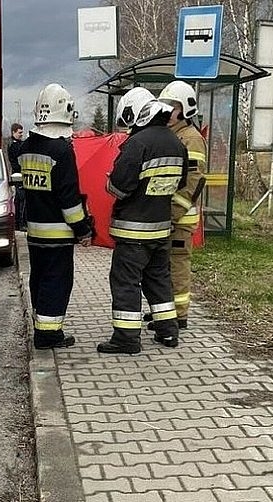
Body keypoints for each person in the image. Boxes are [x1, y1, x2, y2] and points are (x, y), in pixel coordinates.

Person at [97, 87, 188, 354]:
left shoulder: (137, 144)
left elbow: (120, 188)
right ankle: (168, 332)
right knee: (159, 281)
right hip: (161, 229)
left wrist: (109, 182)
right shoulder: (176, 142)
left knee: (126, 282)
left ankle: (126, 339)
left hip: (133, 232)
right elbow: (180, 183)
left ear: (136, 114)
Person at [19, 83, 93, 350]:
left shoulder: (27, 147)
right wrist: (83, 229)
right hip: (58, 233)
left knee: (38, 278)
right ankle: (49, 334)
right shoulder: (62, 151)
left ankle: (41, 324)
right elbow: (68, 199)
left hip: (34, 231)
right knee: (56, 281)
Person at [154, 80, 207, 330]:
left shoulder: (191, 139)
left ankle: (179, 315)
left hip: (180, 217)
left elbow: (193, 182)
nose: (167, 112)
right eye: (164, 106)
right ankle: (166, 313)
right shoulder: (173, 135)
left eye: (172, 107)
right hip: (167, 215)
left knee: (177, 267)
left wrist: (173, 213)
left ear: (185, 109)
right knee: (164, 267)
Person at [7, 123, 27, 231]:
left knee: (19, 200)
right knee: (22, 200)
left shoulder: (17, 144)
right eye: (19, 132)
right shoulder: (15, 145)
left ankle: (17, 223)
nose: (21, 134)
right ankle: (21, 223)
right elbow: (18, 161)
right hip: (18, 175)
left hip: (17, 174)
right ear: (13, 132)